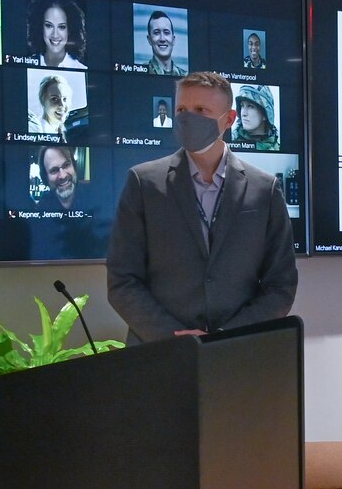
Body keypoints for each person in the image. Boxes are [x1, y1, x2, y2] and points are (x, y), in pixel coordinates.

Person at [108, 71, 297, 341]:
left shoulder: (264, 189)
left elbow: (281, 284)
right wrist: (174, 336)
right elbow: (122, 280)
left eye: (201, 110)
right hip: (159, 353)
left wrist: (226, 338)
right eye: (182, 109)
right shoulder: (144, 183)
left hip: (238, 354)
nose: (188, 118)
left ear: (229, 120)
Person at [25, 0, 86, 69]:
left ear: (69, 29)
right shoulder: (27, 65)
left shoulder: (81, 69)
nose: (55, 35)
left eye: (61, 27)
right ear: (40, 27)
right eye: (49, 26)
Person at [228, 84, 279, 151]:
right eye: (242, 105)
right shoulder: (230, 142)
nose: (243, 113)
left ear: (265, 114)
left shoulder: (278, 145)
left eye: (250, 106)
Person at [143, 9, 185, 76]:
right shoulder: (142, 71)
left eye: (166, 32)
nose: (162, 39)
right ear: (149, 40)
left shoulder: (185, 75)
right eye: (156, 33)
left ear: (173, 39)